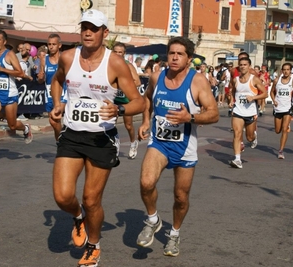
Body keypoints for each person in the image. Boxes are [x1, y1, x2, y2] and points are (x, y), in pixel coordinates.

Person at [50, 9, 145, 267]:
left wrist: (120, 109)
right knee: (62, 195)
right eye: (84, 27)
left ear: (105, 32)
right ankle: (77, 216)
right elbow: (56, 81)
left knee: (92, 199)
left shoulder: (115, 63)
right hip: (72, 135)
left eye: (94, 28)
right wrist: (58, 104)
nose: (88, 32)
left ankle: (93, 246)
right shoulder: (68, 57)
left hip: (101, 139)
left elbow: (140, 101)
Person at [136, 36, 218, 257]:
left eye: (179, 54)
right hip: (159, 143)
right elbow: (147, 99)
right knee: (146, 182)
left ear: (188, 59)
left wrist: (189, 117)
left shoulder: (198, 81)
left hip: (185, 146)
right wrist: (145, 120)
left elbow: (213, 114)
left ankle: (174, 234)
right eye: (171, 52)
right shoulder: (156, 77)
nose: (174, 57)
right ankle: (153, 220)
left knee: (181, 197)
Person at [0, 29, 33, 167]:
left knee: (12, 125)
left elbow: (20, 73)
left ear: (4, 41)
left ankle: (26, 128)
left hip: (10, 94)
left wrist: (2, 69)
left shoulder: (9, 55)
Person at [229, 57, 267, 169]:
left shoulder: (254, 79)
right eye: (241, 64)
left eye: (245, 64)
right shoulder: (235, 79)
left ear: (249, 66)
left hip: (250, 112)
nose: (242, 66)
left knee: (249, 138)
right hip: (238, 111)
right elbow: (233, 91)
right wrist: (231, 100)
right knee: (237, 133)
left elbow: (265, 94)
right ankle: (237, 159)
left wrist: (254, 97)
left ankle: (254, 136)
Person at [112, 42, 141, 159]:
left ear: (124, 53)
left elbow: (138, 82)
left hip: (126, 99)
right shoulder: (109, 64)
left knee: (128, 125)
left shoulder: (128, 66)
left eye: (120, 52)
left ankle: (133, 143)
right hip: (113, 98)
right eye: (116, 52)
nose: (118, 54)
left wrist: (122, 86)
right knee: (111, 124)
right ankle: (115, 143)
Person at [37, 34, 67, 141]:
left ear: (59, 45)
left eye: (54, 44)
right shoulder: (44, 60)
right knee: (53, 122)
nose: (51, 46)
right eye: (49, 44)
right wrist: (40, 77)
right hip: (49, 95)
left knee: (55, 116)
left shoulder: (64, 59)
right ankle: (61, 142)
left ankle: (63, 142)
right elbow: (41, 79)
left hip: (63, 93)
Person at [270, 63, 293, 159]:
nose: (286, 71)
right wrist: (274, 100)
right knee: (277, 130)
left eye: (288, 69)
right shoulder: (276, 80)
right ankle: (285, 126)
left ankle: (281, 151)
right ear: (281, 71)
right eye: (284, 69)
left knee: (284, 130)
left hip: (288, 108)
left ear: (290, 71)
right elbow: (271, 92)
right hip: (278, 108)